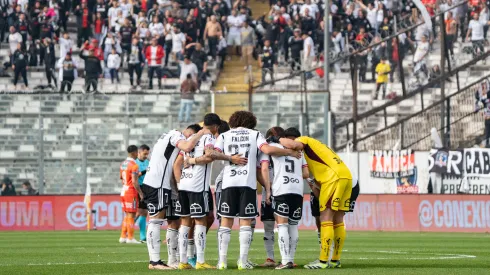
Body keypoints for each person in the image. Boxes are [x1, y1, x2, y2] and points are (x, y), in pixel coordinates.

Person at [210, 111, 301, 270]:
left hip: (228, 183)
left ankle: (222, 261)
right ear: (251, 122)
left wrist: (230, 159)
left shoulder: (225, 135)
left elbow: (211, 153)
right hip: (248, 184)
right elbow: (267, 151)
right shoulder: (255, 134)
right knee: (245, 223)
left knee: (226, 223)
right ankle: (242, 261)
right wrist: (289, 152)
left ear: (233, 120)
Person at [272, 135, 352, 269]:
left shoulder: (303, 140)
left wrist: (278, 139)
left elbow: (295, 145)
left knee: (326, 217)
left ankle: (323, 261)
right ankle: (335, 260)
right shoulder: (318, 147)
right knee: (338, 219)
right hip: (346, 176)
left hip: (333, 177)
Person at [142, 126, 213, 270]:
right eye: (191, 136)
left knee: (174, 221)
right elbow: (187, 146)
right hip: (157, 183)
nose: (191, 140)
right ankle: (154, 261)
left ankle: (172, 260)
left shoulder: (169, 137)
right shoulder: (175, 135)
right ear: (188, 132)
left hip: (167, 184)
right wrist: (200, 134)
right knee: (156, 220)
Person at [172, 113, 223, 270]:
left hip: (184, 185)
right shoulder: (209, 138)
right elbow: (209, 156)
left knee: (185, 222)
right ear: (215, 127)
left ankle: (183, 261)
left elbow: (179, 162)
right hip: (197, 186)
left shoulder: (190, 140)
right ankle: (200, 261)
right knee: (200, 221)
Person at [260, 128, 309, 269]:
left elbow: (267, 152)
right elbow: (306, 173)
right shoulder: (300, 152)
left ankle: (285, 260)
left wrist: (268, 191)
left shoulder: (274, 147)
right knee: (293, 225)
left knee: (282, 224)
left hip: (282, 188)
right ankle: (291, 259)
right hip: (298, 189)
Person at [119, 145, 143, 244]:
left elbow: (121, 177)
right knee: (132, 215)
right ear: (133, 153)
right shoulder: (134, 165)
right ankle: (130, 238)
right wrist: (140, 193)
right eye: (137, 152)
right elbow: (134, 181)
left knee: (127, 214)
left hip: (123, 190)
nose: (138, 154)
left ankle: (123, 236)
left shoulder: (123, 164)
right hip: (131, 192)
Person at [135, 144, 150, 243]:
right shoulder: (135, 163)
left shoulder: (148, 162)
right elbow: (138, 174)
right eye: (144, 154)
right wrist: (146, 170)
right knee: (138, 212)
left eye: (147, 154)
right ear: (139, 152)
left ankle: (142, 236)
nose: (146, 156)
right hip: (138, 188)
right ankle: (128, 231)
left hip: (146, 187)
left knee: (144, 212)